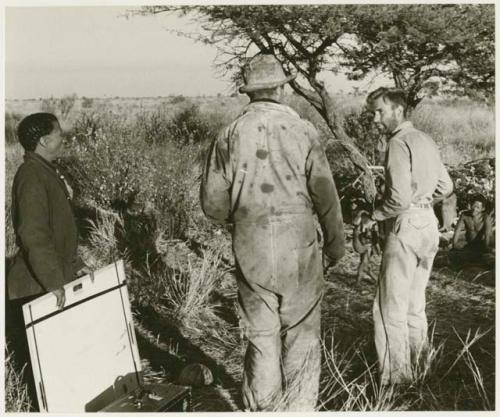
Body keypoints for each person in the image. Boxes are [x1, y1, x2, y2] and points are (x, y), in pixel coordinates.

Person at [201, 54, 345, 411]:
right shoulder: (304, 130)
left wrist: (243, 215)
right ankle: (298, 407)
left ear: (248, 93)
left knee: (262, 337)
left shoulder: (229, 134)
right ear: (281, 88)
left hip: (251, 241)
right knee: (302, 334)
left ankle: (264, 409)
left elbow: (212, 205)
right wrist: (336, 246)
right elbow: (326, 196)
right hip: (299, 243)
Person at [365, 87, 453, 386]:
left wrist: (373, 217)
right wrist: (424, 200)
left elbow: (398, 200)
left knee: (388, 308)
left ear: (398, 110)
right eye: (373, 113)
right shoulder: (424, 139)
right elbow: (446, 187)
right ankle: (424, 366)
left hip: (406, 223)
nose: (375, 118)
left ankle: (397, 382)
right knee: (415, 304)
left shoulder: (399, 142)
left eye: (380, 111)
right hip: (428, 222)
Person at [6, 113, 84, 410]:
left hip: (47, 280)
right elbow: (34, 235)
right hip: (34, 287)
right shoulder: (31, 176)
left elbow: (58, 233)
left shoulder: (44, 171)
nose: (63, 138)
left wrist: (75, 266)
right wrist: (54, 282)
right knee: (44, 380)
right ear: (44, 140)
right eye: (58, 133)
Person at [449, 194, 494, 267]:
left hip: (483, 246)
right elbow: (456, 233)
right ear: (470, 205)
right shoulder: (464, 215)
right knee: (452, 254)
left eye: (478, 207)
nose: (474, 209)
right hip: (471, 245)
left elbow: (487, 237)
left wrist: (485, 249)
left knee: (488, 257)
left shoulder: (486, 217)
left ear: (483, 209)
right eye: (473, 206)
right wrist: (454, 245)